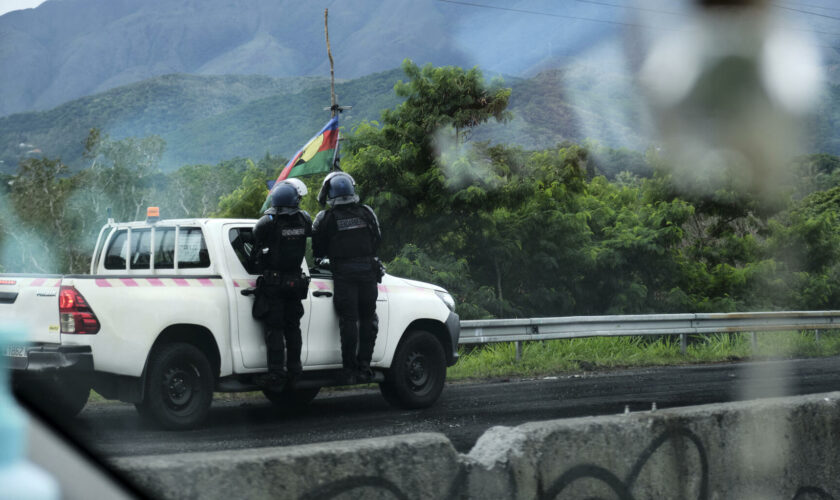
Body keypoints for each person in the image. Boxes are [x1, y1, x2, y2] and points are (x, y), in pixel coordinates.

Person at [312, 172, 382, 384]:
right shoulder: (367, 212)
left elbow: (317, 251)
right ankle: (365, 367)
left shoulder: (325, 218)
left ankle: (349, 370)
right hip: (368, 272)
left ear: (329, 193)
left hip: (343, 274)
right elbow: (377, 240)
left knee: (349, 320)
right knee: (368, 319)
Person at [251, 181, 312, 386]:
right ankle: (295, 369)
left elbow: (255, 252)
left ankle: (276, 373)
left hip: (274, 284)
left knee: (275, 329)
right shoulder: (304, 219)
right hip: (295, 282)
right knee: (293, 328)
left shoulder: (266, 223)